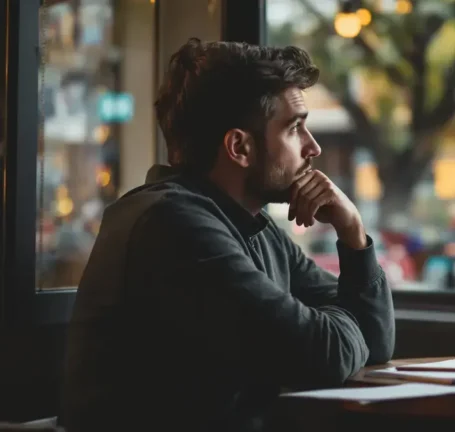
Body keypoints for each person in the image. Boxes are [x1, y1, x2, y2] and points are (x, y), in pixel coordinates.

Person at [59, 38, 395, 432]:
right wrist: (337, 322)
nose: (314, 148)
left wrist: (352, 231)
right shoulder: (171, 225)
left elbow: (375, 342)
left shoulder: (253, 226)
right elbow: (328, 355)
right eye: (294, 129)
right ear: (239, 147)